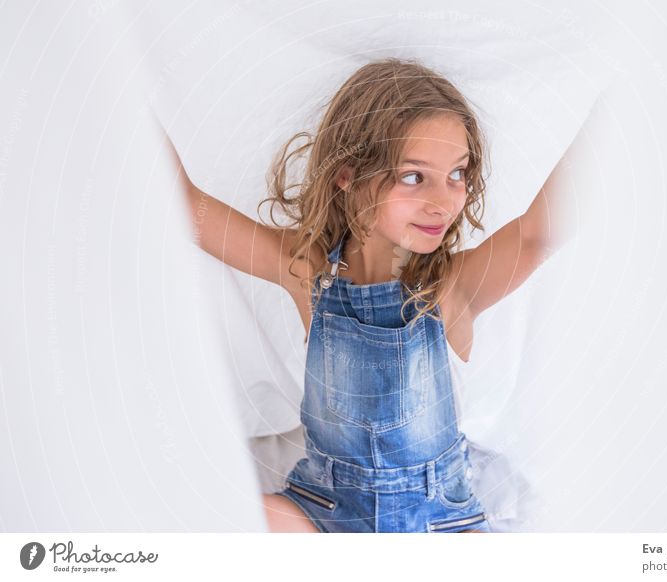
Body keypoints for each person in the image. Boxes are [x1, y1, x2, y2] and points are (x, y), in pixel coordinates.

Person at [176, 57, 579, 532]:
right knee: (202, 513)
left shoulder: (451, 286)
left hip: (437, 521)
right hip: (325, 509)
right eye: (414, 176)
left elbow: (537, 234)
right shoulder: (307, 270)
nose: (444, 201)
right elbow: (189, 208)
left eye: (458, 174)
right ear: (347, 173)